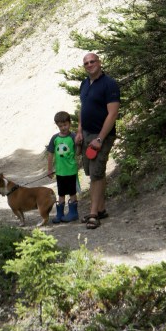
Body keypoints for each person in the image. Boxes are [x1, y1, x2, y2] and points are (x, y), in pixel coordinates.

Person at [78, 52, 120, 229]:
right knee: (93, 172)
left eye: (92, 61)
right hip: (86, 134)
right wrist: (79, 130)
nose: (89, 65)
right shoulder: (84, 84)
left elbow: (112, 114)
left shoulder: (109, 84)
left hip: (101, 136)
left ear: (99, 63)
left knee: (95, 174)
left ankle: (94, 213)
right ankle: (101, 208)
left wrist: (100, 138)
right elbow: (83, 108)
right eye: (86, 63)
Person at [46, 110, 80, 223]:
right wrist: (50, 169)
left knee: (72, 192)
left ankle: (73, 213)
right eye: (60, 126)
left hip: (71, 171)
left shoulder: (73, 136)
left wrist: (79, 144)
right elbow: (50, 154)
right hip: (60, 172)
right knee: (61, 193)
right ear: (57, 126)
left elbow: (78, 152)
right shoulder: (54, 138)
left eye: (65, 125)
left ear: (69, 123)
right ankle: (60, 214)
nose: (63, 128)